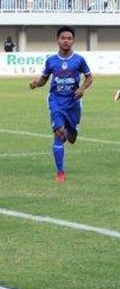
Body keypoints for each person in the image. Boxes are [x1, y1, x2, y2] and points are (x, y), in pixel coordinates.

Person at [29, 26, 93, 183]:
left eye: (69, 38)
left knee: (71, 138)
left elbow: (89, 77)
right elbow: (44, 79)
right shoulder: (51, 60)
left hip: (73, 103)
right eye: (63, 38)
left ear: (73, 41)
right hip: (56, 101)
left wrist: (82, 88)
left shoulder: (79, 60)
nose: (66, 41)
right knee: (58, 134)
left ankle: (66, 133)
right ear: (58, 40)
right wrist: (35, 83)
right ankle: (60, 173)